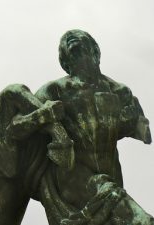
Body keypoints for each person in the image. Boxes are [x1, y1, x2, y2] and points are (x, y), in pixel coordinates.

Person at [33, 29, 152, 224]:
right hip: (73, 176)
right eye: (70, 49)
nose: (70, 37)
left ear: (95, 51)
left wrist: (134, 123)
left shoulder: (120, 92)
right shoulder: (55, 90)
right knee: (141, 220)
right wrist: (49, 125)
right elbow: (27, 117)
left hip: (110, 175)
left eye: (82, 46)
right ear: (65, 62)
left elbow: (143, 133)